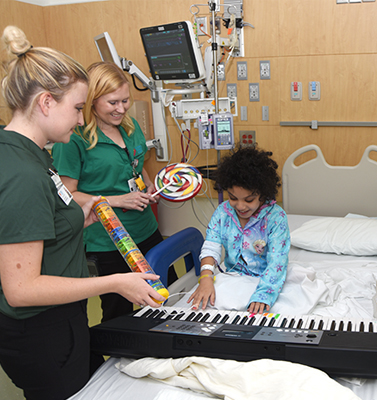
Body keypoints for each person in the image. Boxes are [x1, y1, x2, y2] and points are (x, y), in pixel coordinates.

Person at [0, 26, 164, 400]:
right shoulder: (21, 173)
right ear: (45, 103)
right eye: (76, 108)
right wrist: (114, 283)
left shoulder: (31, 154)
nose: (80, 119)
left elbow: (48, 214)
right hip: (40, 331)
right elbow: (21, 289)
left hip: (63, 319)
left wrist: (79, 215)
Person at [52, 62, 172, 322]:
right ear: (92, 101)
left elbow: (138, 164)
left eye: (125, 101)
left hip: (146, 229)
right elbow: (67, 193)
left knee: (166, 295)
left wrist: (148, 184)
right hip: (108, 240)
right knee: (120, 310)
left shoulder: (129, 127)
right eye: (113, 103)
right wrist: (117, 200)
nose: (121, 109)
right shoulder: (74, 139)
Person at [188, 145, 290, 314]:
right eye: (233, 198)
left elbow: (277, 262)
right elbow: (211, 245)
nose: (240, 206)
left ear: (263, 194)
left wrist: (264, 295)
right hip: (234, 277)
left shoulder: (275, 218)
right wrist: (205, 277)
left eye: (249, 200)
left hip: (266, 280)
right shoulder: (223, 212)